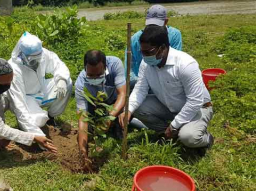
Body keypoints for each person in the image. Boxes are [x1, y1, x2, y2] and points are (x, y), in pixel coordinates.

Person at [119, 25, 214, 154]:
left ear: (162, 48)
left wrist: (175, 124)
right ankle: (167, 133)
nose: (144, 56)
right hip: (170, 106)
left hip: (198, 108)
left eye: (148, 52)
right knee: (138, 107)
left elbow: (195, 101)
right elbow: (140, 89)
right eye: (142, 52)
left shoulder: (186, 64)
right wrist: (128, 110)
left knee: (189, 137)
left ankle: (206, 138)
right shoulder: (146, 64)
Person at [7, 32, 72, 137]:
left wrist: (62, 80)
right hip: (26, 98)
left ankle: (51, 117)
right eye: (33, 59)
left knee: (66, 83)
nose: (36, 61)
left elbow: (58, 65)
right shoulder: (13, 69)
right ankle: (25, 124)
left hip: (41, 89)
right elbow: (18, 103)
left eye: (38, 57)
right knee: (38, 121)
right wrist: (38, 136)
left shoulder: (43, 53)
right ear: (22, 54)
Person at [75, 50, 127, 171]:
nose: (94, 78)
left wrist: (110, 117)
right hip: (95, 105)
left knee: (122, 115)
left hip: (114, 102)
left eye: (98, 74)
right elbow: (82, 118)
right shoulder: (80, 83)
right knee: (88, 129)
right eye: (90, 75)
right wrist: (83, 154)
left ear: (105, 66)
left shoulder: (115, 64)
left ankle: (115, 125)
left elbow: (122, 94)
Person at [125, 4, 182, 85]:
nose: (152, 27)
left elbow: (175, 60)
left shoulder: (174, 35)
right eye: (150, 24)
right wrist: (137, 82)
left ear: (166, 21)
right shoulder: (135, 38)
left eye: (156, 24)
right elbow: (129, 66)